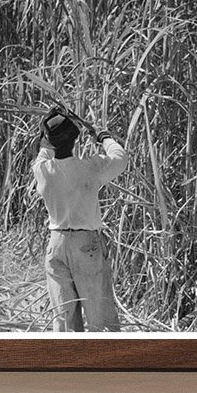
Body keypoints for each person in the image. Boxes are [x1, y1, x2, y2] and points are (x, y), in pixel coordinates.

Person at [32, 110, 129, 332]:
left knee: (64, 321)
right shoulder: (90, 168)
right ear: (75, 139)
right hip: (86, 247)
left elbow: (42, 149)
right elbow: (120, 159)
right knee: (100, 319)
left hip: (56, 246)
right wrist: (103, 137)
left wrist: (46, 133)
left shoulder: (42, 170)